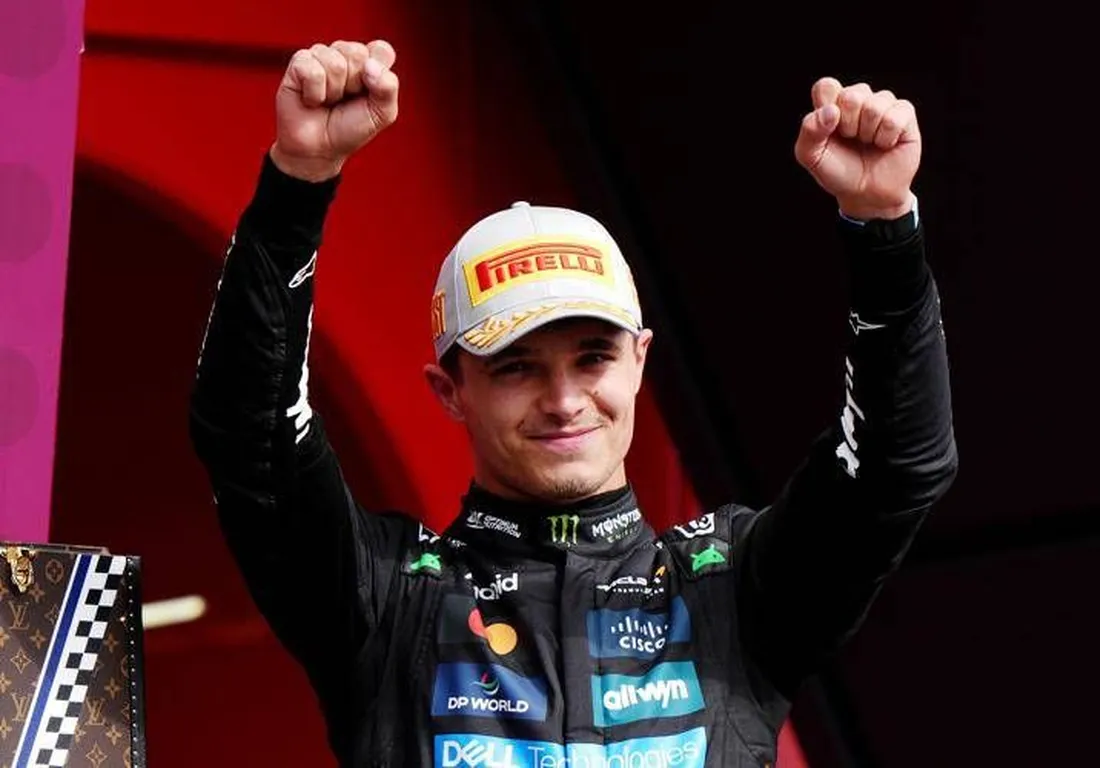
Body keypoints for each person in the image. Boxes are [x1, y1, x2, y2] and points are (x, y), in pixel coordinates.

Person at [189, 38, 957, 768]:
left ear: (639, 361)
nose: (563, 400)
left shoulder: (728, 590)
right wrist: (297, 183)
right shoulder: (391, 598)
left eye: (592, 358)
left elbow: (896, 468)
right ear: (450, 392)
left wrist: (884, 229)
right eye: (517, 367)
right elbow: (250, 437)